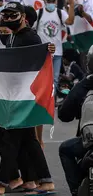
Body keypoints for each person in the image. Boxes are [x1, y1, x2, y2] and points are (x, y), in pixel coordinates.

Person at [0, 2, 56, 196]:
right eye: (5, 15)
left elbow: (38, 61)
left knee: (9, 140)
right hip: (15, 96)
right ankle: (39, 182)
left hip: (23, 99)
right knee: (28, 140)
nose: (8, 19)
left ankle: (0, 185)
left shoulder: (29, 37)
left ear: (23, 17)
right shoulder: (13, 36)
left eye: (13, 16)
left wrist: (48, 50)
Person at [58, 45, 93, 196]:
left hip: (90, 141)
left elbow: (64, 115)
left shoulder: (85, 85)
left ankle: (76, 190)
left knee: (65, 150)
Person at [34, 0, 75, 98]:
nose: (51, 3)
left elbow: (70, 21)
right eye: (49, 1)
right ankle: (42, 98)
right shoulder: (39, 13)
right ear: (45, 1)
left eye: (53, 1)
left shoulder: (60, 13)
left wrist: (72, 6)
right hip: (42, 52)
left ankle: (52, 99)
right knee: (42, 76)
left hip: (57, 52)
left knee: (55, 77)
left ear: (56, 1)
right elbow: (30, 27)